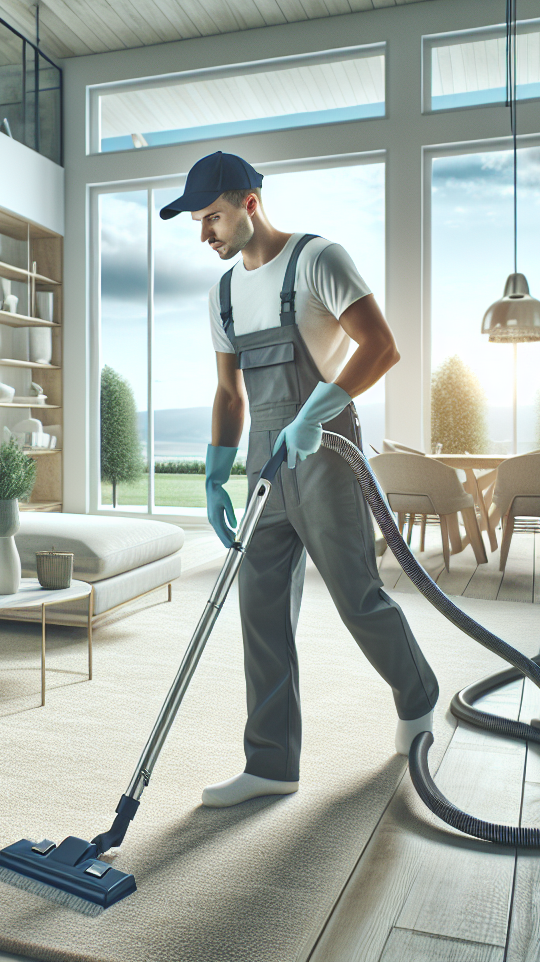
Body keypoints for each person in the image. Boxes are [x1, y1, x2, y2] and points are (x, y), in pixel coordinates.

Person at [160, 151, 439, 807]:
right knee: (258, 609)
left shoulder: (319, 259)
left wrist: (315, 412)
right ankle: (272, 762)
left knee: (355, 595)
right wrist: (213, 477)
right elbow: (230, 394)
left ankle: (419, 697)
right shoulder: (222, 294)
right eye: (199, 223)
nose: (206, 235)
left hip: (325, 446)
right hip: (264, 455)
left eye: (214, 218)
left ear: (249, 205)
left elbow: (380, 346)